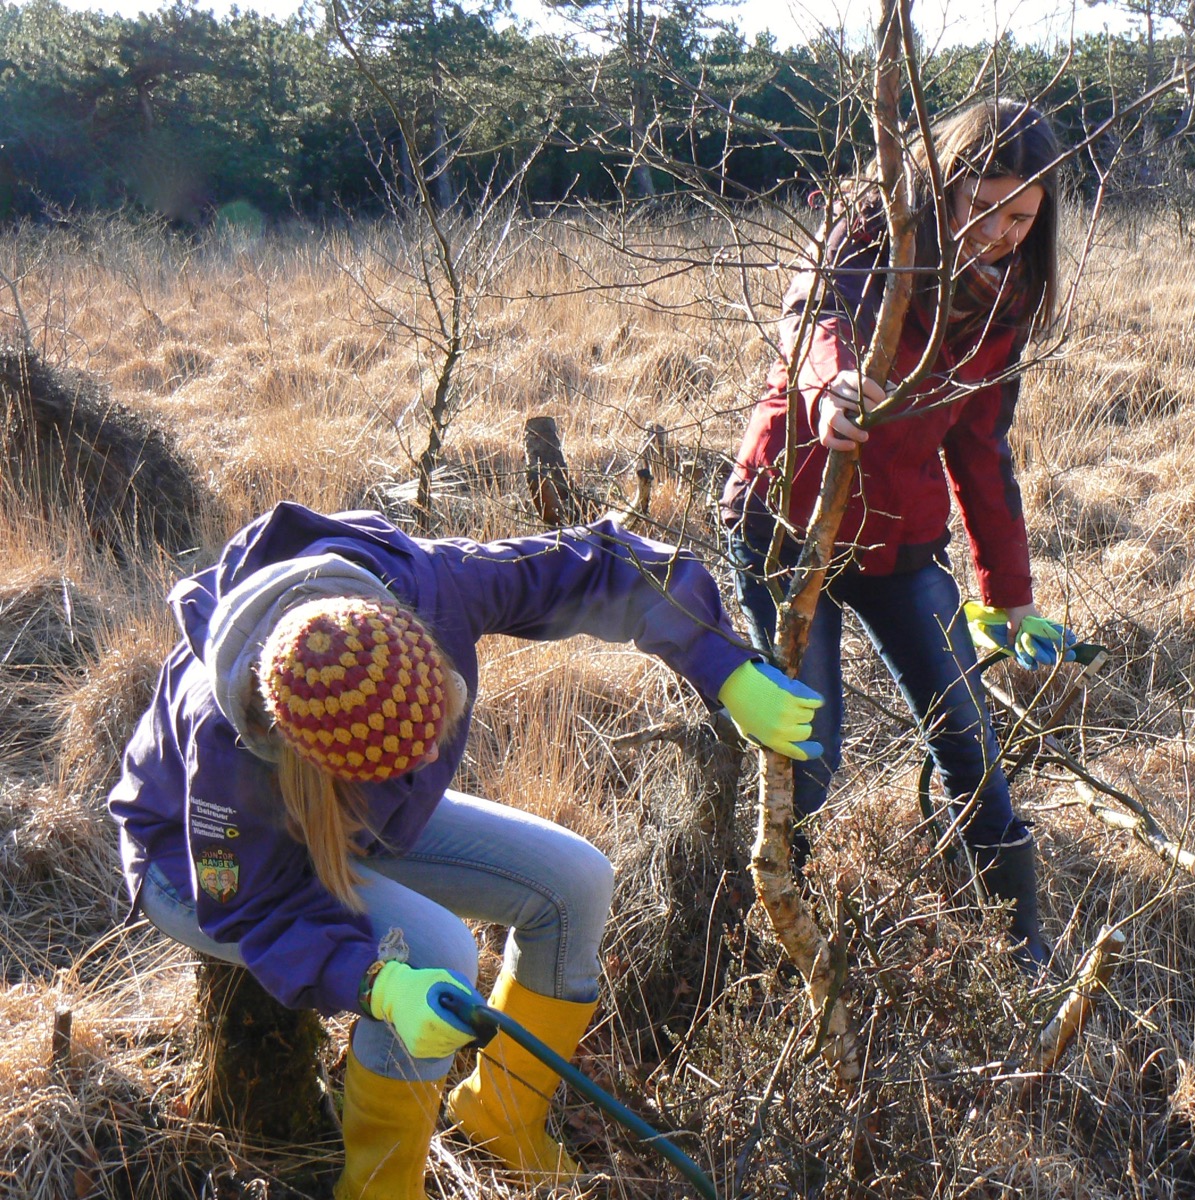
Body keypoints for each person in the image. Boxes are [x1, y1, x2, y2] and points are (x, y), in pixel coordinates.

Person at [108, 501, 821, 1199]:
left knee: (576, 881)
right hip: (197, 870)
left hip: (361, 821)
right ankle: (379, 1188)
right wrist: (376, 983)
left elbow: (599, 563)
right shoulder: (226, 748)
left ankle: (499, 1120)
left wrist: (725, 667)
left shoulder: (432, 585)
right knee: (437, 955)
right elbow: (251, 908)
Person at [721, 98, 1075, 971]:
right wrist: (836, 388)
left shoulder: (1011, 296)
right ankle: (766, 947)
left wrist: (1010, 598)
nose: (997, 231)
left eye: (1021, 216)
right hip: (790, 522)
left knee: (969, 740)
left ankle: (1021, 954)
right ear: (943, 187)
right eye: (981, 207)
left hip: (901, 540)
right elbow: (817, 316)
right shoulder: (869, 233)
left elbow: (982, 448)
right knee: (809, 750)